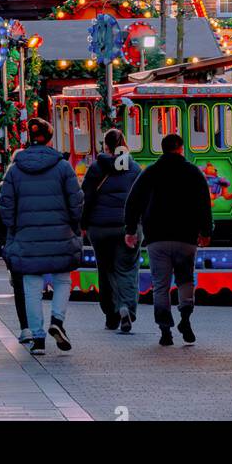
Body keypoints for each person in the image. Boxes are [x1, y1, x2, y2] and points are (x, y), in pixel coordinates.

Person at [0, 116, 83, 355]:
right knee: (62, 278)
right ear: (50, 138)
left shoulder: (15, 170)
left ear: (29, 139)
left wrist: (13, 228)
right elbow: (76, 201)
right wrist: (74, 224)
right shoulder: (63, 167)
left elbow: (6, 203)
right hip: (60, 233)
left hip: (27, 236)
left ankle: (37, 337)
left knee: (31, 284)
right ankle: (57, 320)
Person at [124, 132, 212, 347]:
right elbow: (204, 202)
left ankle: (165, 330)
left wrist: (130, 229)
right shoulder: (193, 173)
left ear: (162, 149)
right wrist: (205, 231)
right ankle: (185, 318)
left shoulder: (151, 172)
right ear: (181, 149)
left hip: (157, 238)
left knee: (160, 285)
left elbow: (133, 201)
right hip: (186, 237)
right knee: (185, 279)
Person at [81, 127, 142, 334]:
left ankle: (111, 315)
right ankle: (126, 308)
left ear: (105, 146)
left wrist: (82, 225)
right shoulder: (134, 169)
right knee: (127, 269)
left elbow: (86, 198)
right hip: (127, 227)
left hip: (99, 228)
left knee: (105, 270)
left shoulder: (96, 168)